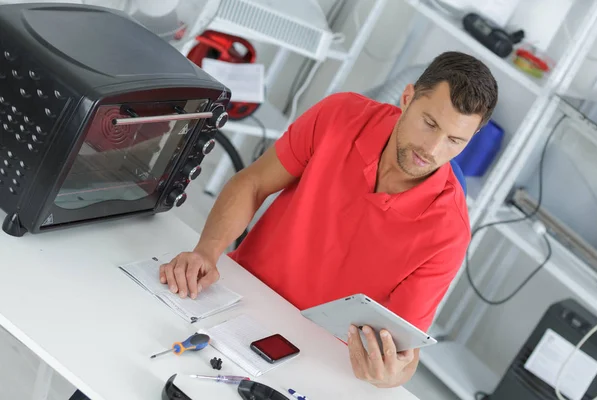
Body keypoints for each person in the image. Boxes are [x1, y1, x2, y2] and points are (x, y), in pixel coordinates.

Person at [159, 51, 498, 388]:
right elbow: (254, 183)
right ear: (407, 98)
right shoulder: (340, 115)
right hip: (236, 298)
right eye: (430, 124)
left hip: (309, 358)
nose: (433, 150)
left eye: (455, 141)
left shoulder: (449, 232)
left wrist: (391, 376)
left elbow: (402, 348)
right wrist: (207, 251)